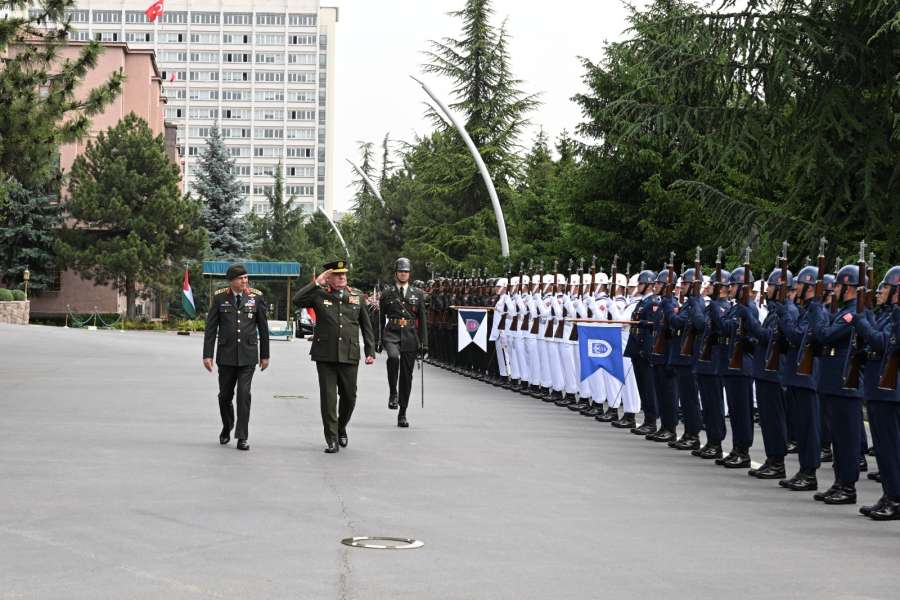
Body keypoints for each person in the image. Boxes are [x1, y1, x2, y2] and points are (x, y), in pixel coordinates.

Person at [294, 260, 376, 453]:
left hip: (349, 353)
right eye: (337, 275)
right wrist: (316, 283)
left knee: (350, 397)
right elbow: (297, 300)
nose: (342, 277)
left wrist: (370, 351)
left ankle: (341, 427)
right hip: (325, 355)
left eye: (344, 274)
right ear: (328, 278)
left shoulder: (356, 296)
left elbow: (366, 326)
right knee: (329, 399)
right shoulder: (319, 294)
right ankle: (331, 439)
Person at [202, 263, 270, 451]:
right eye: (241, 278)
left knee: (243, 394)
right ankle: (227, 425)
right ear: (231, 281)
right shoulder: (219, 298)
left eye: (246, 278)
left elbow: (263, 328)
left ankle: (242, 436)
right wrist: (207, 354)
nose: (245, 281)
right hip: (226, 355)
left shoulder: (256, 298)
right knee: (225, 396)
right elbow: (211, 328)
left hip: (248, 355)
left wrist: (265, 355)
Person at [378, 257, 428, 427]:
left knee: (407, 376)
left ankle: (403, 412)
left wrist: (424, 344)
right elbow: (379, 318)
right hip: (391, 332)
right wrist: (379, 339)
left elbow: (423, 320)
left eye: (406, 272)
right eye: (401, 271)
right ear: (395, 274)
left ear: (409, 274)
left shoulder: (418, 294)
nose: (403, 274)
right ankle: (393, 392)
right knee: (393, 357)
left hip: (410, 335)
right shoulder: (387, 293)